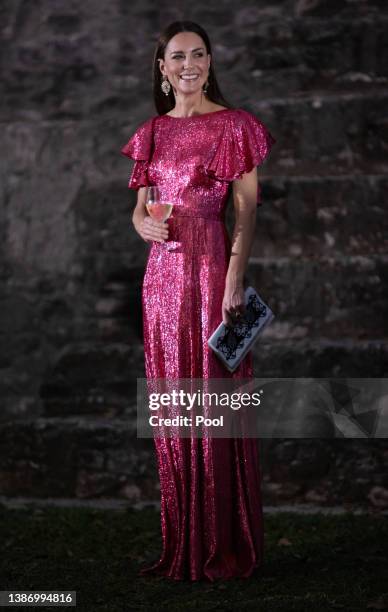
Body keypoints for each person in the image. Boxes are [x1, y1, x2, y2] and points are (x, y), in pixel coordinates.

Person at [120, 20, 276, 582]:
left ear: (211, 62)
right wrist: (142, 224)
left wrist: (236, 275)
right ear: (162, 67)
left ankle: (221, 545)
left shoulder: (234, 126)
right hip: (161, 278)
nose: (190, 64)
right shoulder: (152, 132)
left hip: (212, 266)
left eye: (200, 54)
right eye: (179, 56)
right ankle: (182, 541)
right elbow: (142, 207)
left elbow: (248, 209)